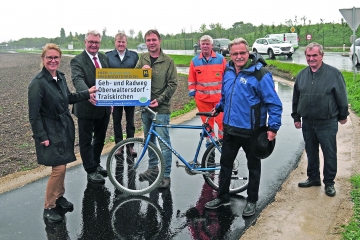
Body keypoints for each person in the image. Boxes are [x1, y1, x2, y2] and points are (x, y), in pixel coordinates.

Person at [204, 38, 282, 217]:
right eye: (235, 54)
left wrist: (273, 127)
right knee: (225, 164)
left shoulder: (260, 75)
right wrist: (220, 106)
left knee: (253, 166)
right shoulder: (229, 70)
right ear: (230, 55)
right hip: (230, 128)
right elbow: (226, 94)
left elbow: (274, 104)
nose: (239, 57)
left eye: (242, 53)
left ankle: (252, 200)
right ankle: (223, 197)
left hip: (252, 131)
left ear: (248, 53)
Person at [28, 43, 97, 222]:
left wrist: (87, 93)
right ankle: (49, 206)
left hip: (64, 127)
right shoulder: (37, 83)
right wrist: (41, 136)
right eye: (49, 57)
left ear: (59, 59)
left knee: (64, 163)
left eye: (56, 57)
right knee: (57, 168)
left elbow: (68, 98)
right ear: (43, 59)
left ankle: (59, 197)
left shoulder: (60, 77)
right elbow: (34, 115)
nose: (53, 60)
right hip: (50, 130)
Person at [291, 42, 349, 197]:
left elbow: (342, 96)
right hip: (308, 122)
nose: (311, 59)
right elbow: (296, 97)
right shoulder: (302, 75)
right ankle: (313, 178)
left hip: (327, 122)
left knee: (329, 153)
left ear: (322, 55)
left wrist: (343, 115)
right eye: (308, 56)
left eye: (314, 55)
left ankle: (329, 183)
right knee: (311, 152)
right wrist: (296, 116)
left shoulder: (333, 74)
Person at [135, 29, 178, 188]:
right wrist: (142, 71)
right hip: (145, 107)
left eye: (154, 40)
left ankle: (166, 175)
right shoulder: (143, 58)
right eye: (148, 40)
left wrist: (159, 100)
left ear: (159, 41)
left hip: (161, 109)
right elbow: (134, 77)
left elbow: (173, 84)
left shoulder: (168, 61)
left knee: (163, 142)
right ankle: (153, 168)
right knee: (148, 140)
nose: (151, 43)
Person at [70, 30, 111, 184]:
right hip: (87, 107)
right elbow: (77, 79)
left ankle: (96, 163)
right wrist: (87, 93)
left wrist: (112, 100)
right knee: (86, 141)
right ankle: (90, 170)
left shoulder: (104, 58)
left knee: (100, 139)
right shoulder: (77, 60)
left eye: (97, 42)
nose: (94, 45)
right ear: (85, 42)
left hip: (104, 107)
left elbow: (110, 80)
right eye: (91, 42)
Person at [188, 35, 226, 146]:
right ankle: (210, 147)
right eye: (203, 44)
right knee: (207, 124)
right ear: (200, 45)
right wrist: (193, 93)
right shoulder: (195, 61)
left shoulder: (221, 59)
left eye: (207, 44)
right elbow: (191, 79)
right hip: (202, 100)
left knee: (222, 123)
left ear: (212, 45)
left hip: (219, 100)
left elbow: (227, 77)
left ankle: (223, 144)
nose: (205, 46)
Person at [105, 32, 139, 155]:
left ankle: (130, 146)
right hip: (115, 96)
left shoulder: (134, 56)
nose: (121, 44)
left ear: (126, 43)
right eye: (118, 42)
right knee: (116, 121)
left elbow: (139, 74)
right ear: (115, 42)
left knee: (130, 122)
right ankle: (119, 146)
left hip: (131, 95)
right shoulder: (108, 56)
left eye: (123, 42)